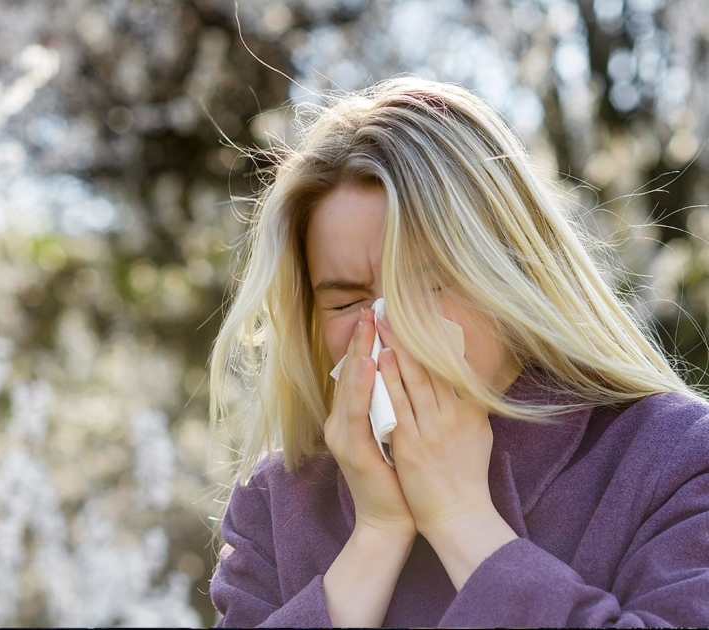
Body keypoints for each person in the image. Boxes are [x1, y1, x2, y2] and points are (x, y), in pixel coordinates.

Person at [207, 77, 709, 627]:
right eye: (347, 300)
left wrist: (461, 516)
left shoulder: (675, 458)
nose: (390, 326)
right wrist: (373, 538)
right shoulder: (277, 504)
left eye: (429, 284)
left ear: (512, 272)